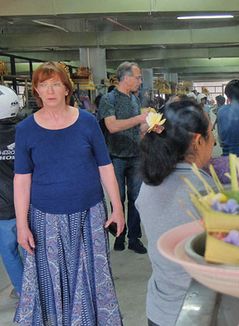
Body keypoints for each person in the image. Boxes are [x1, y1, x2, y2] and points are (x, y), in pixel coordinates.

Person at [13, 62, 124, 325]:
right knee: (50, 278)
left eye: (55, 84)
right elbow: (21, 179)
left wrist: (118, 207)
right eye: (43, 85)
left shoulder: (87, 122)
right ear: (37, 91)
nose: (49, 90)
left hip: (89, 212)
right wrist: (21, 225)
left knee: (91, 273)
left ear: (66, 89)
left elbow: (105, 166)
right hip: (44, 217)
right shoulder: (26, 129)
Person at [136, 100, 215, 326]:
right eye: (211, 133)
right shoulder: (204, 189)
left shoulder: (149, 182)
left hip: (160, 309)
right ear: (198, 141)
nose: (214, 141)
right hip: (199, 311)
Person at [98, 61, 148, 254]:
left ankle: (134, 238)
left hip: (136, 155)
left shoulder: (135, 99)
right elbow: (112, 126)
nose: (140, 81)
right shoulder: (108, 99)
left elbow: (138, 128)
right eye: (138, 77)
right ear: (126, 78)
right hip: (116, 156)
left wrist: (150, 126)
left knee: (136, 199)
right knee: (117, 198)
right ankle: (119, 234)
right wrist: (139, 119)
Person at [0, 86, 23, 299]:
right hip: (28, 204)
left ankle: (23, 291)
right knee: (31, 250)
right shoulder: (26, 130)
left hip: (2, 210)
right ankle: (39, 288)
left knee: (9, 253)